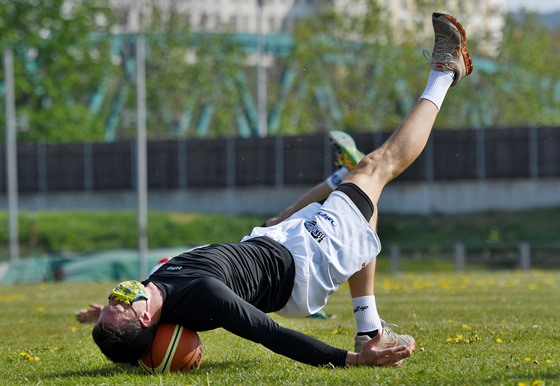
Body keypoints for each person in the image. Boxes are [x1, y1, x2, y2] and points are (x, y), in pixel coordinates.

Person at [86, 12, 473, 368]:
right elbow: (272, 335)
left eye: (109, 300)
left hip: (272, 242)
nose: (116, 295)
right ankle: (445, 71)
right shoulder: (205, 295)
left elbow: (134, 322)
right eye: (120, 304)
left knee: (351, 210)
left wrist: (109, 326)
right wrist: (351, 361)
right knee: (376, 167)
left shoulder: (153, 289)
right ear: (147, 316)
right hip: (305, 265)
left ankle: (370, 323)